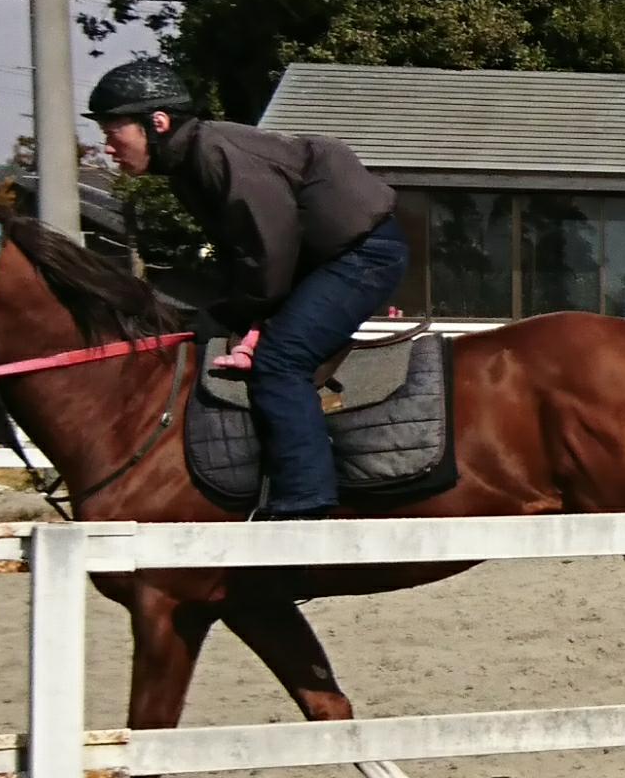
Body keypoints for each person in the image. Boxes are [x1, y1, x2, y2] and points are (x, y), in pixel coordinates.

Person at [86, 56, 406, 519]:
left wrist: (236, 311)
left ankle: (305, 503)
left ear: (157, 122)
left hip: (363, 255)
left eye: (114, 132)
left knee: (279, 363)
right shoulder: (189, 164)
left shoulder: (214, 154)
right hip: (327, 257)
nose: (109, 147)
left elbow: (269, 249)